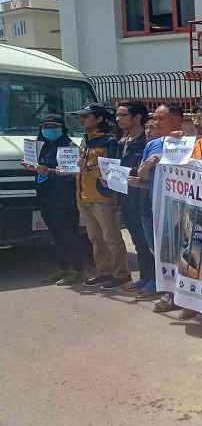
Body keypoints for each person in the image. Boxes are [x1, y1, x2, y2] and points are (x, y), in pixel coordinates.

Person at [71, 103, 130, 290]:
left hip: (103, 197)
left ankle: (121, 274)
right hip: (84, 195)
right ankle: (104, 272)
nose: (82, 120)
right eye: (81, 117)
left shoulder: (109, 141)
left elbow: (112, 170)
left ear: (99, 119)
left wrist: (88, 167)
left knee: (111, 237)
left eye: (86, 117)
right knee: (95, 238)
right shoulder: (85, 140)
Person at [131, 103, 185, 304]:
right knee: (158, 251)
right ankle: (166, 290)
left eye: (162, 118)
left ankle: (179, 295)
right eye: (156, 118)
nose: (156, 122)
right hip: (153, 204)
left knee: (178, 253)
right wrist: (148, 165)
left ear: (177, 119)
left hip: (178, 208)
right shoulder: (152, 144)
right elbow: (142, 175)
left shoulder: (188, 142)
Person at [24, 114, 87, 286]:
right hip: (46, 196)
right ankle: (63, 268)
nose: (48, 130)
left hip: (64, 198)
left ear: (62, 128)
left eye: (53, 126)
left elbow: (71, 174)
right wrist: (34, 168)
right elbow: (41, 168)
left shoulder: (68, 147)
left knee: (69, 234)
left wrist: (48, 171)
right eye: (45, 127)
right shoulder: (42, 147)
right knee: (55, 234)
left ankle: (78, 270)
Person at [114, 101, 152, 294]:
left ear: (137, 117)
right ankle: (144, 277)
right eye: (117, 115)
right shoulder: (122, 140)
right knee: (137, 240)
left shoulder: (146, 142)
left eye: (123, 115)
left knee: (147, 241)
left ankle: (153, 280)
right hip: (125, 198)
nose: (118, 119)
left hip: (142, 198)